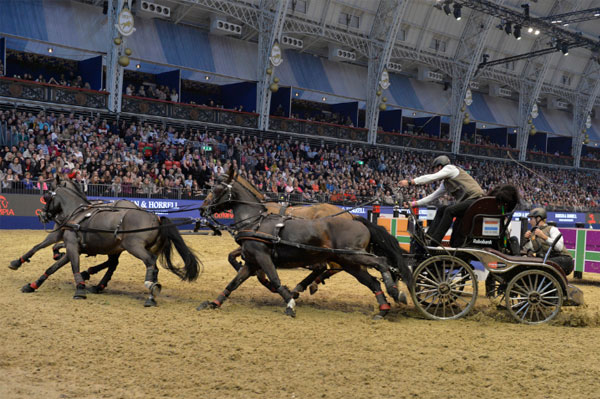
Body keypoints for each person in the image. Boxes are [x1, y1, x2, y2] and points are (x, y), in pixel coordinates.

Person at [400, 155, 483, 246]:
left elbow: (432, 177)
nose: (434, 171)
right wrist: (414, 204)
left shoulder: (450, 168)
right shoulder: (446, 183)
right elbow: (432, 197)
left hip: (476, 200)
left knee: (449, 210)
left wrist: (410, 182)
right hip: (469, 203)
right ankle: (429, 237)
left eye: (434, 169)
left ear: (440, 166)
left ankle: (435, 241)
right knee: (442, 209)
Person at [522, 208, 574, 275]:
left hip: (564, 260)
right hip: (548, 260)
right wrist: (527, 239)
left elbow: (559, 247)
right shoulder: (533, 233)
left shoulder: (552, 229)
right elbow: (531, 250)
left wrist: (544, 237)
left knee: (541, 265)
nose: (529, 221)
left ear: (538, 219)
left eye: (531, 219)